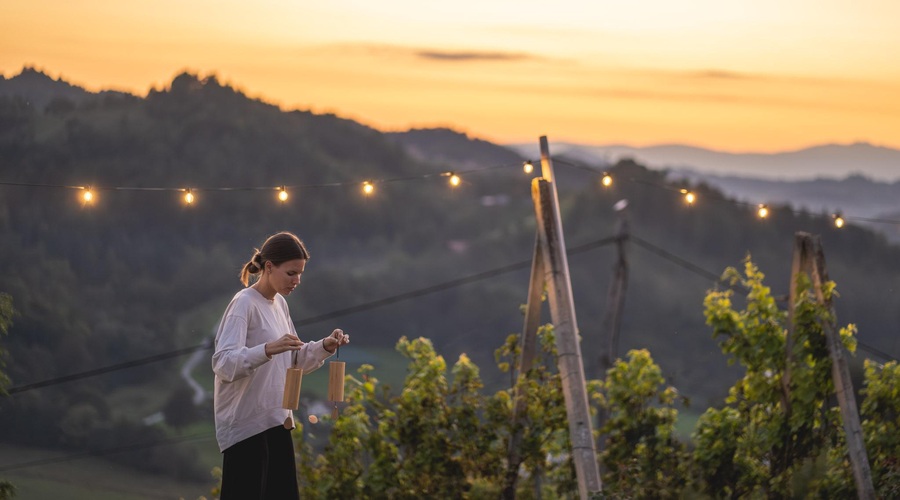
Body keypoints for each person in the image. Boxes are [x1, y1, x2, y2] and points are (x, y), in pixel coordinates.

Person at [212, 231, 349, 500]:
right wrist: (267, 349)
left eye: (300, 273)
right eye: (291, 273)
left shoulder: (280, 305)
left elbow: (293, 360)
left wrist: (325, 346)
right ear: (269, 267)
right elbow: (224, 363)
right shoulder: (244, 304)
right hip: (246, 427)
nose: (297, 280)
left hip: (276, 422)